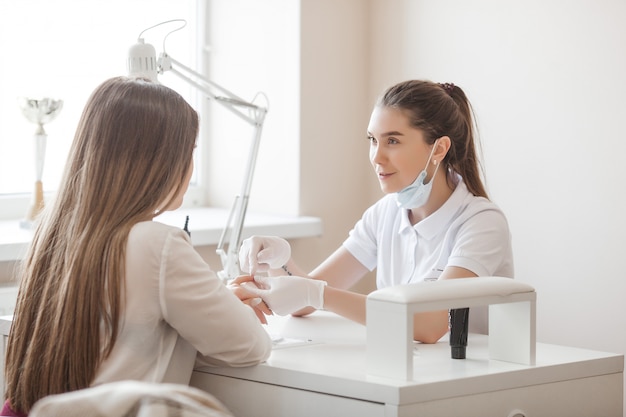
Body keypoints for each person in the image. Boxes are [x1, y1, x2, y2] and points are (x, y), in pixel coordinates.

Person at [3, 77, 272, 416]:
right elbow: (252, 346)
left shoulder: (53, 232)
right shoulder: (156, 243)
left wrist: (213, 305)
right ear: (159, 162)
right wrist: (236, 311)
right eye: (189, 153)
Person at [235, 79, 514, 344]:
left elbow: (429, 324)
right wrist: (280, 260)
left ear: (438, 148)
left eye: (392, 141)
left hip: (470, 379)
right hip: (405, 365)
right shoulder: (385, 213)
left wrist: (317, 294)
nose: (376, 157)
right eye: (372, 140)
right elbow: (305, 302)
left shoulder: (481, 222)